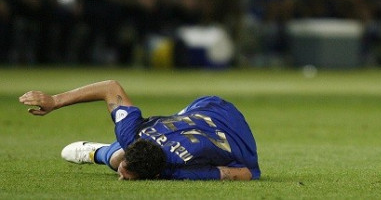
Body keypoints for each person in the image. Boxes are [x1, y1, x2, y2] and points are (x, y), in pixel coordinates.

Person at [18, 79, 259, 180]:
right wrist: (56, 101)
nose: (122, 179)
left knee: (115, 160)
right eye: (127, 174)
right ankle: (104, 153)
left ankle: (98, 153)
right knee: (119, 157)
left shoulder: (179, 171)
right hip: (207, 110)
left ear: (157, 175)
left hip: (235, 134)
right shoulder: (130, 136)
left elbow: (244, 173)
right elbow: (109, 87)